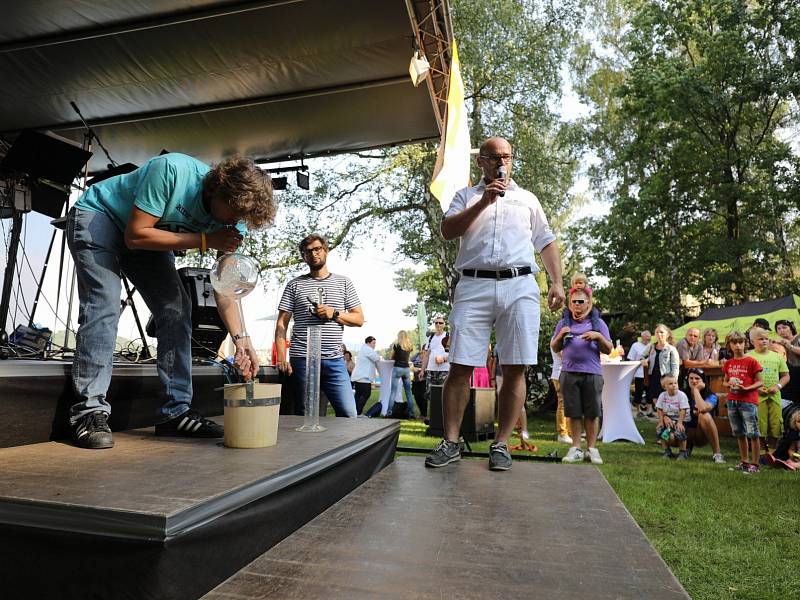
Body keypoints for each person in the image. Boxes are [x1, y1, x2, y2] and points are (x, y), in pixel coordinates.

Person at [66, 153, 275, 449]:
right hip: (101, 216)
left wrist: (242, 340)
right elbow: (136, 235)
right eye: (232, 214)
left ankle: (174, 413)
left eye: (240, 219)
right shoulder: (173, 171)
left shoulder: (234, 221)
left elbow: (224, 288)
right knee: (105, 305)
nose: (234, 222)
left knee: (177, 311)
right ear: (218, 188)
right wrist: (204, 240)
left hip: (149, 237)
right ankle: (89, 413)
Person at [424, 136, 564, 471]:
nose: (502, 161)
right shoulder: (465, 196)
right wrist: (484, 202)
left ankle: (501, 444)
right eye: (494, 156)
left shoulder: (528, 199)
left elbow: (545, 240)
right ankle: (452, 441)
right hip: (473, 285)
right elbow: (448, 230)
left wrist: (557, 281)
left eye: (507, 156)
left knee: (515, 366)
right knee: (460, 364)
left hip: (519, 285)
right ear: (481, 161)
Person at [274, 233, 363, 417]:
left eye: (317, 249)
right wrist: (282, 357)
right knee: (306, 415)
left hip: (334, 359)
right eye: (308, 251)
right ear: (303, 256)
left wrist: (335, 313)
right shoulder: (295, 285)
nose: (313, 254)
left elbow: (359, 319)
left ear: (326, 250)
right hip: (302, 360)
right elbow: (281, 325)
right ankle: (306, 446)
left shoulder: (343, 283)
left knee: (349, 413)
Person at [552, 287, 611, 465]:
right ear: (570, 304)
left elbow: (609, 348)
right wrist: (561, 336)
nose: (577, 305)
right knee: (573, 412)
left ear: (588, 303)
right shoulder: (563, 323)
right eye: (574, 301)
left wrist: (598, 337)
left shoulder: (598, 323)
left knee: (592, 413)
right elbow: (555, 347)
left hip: (592, 373)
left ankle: (592, 449)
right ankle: (576, 448)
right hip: (569, 373)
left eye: (581, 301)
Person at [722, 331, 763, 473]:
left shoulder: (751, 361)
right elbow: (725, 381)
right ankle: (744, 462)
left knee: (753, 433)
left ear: (745, 344)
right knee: (739, 432)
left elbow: (760, 382)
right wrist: (729, 385)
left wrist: (746, 388)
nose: (737, 345)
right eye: (734, 343)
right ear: (729, 345)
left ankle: (755, 464)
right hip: (733, 401)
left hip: (748, 401)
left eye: (740, 342)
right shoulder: (728, 363)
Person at [747, 327, 789, 457]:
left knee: (776, 424)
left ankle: (772, 451)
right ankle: (759, 452)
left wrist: (777, 386)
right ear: (752, 341)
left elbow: (786, 375)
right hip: (756, 397)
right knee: (759, 423)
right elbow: (745, 378)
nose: (764, 341)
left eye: (766, 339)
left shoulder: (776, 356)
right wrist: (756, 387)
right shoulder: (748, 356)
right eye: (760, 339)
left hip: (774, 397)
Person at [684, 368, 725, 463]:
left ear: (703, 381)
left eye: (697, 378)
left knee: (704, 415)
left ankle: (717, 454)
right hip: (684, 433)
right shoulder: (682, 394)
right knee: (670, 436)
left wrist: (696, 391)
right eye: (691, 378)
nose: (694, 381)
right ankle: (684, 449)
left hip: (701, 435)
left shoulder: (711, 396)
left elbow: (702, 408)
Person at [640, 324, 680, 418]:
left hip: (665, 378)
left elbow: (675, 367)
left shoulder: (671, 349)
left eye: (662, 332)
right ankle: (661, 420)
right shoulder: (651, 347)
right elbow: (642, 356)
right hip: (653, 376)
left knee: (666, 401)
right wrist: (644, 360)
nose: (659, 334)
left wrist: (673, 382)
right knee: (656, 400)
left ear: (667, 334)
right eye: (657, 332)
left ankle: (667, 419)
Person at [420, 317, 450, 417]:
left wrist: (444, 359)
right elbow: (426, 355)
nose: (438, 324)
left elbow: (454, 353)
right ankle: (432, 418)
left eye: (440, 323)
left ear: (444, 324)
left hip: (444, 370)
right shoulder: (431, 338)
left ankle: (442, 418)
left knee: (443, 394)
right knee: (430, 394)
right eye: (436, 323)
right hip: (431, 370)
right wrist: (422, 370)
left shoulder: (448, 336)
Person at [654, 375, 690, 460]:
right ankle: (667, 451)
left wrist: (680, 422)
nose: (674, 385)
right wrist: (661, 421)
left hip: (681, 419)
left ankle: (683, 452)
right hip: (668, 418)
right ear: (664, 387)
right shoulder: (662, 395)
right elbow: (659, 409)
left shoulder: (681, 395)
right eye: (670, 383)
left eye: (675, 383)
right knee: (660, 430)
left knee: (679, 431)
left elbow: (683, 410)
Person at [388, 330, 416, 419]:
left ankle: (389, 412)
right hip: (406, 369)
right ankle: (412, 413)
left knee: (393, 392)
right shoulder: (409, 346)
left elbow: (391, 357)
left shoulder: (396, 345)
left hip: (397, 368)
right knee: (408, 392)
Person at [350, 336, 380, 415]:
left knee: (358, 395)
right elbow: (377, 358)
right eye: (373, 343)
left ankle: (355, 412)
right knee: (366, 394)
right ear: (368, 343)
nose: (374, 345)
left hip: (359, 376)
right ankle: (357, 412)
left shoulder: (364, 349)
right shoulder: (367, 349)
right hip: (363, 377)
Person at [774, 319, 800, 404]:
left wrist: (789, 346)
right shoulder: (778, 344)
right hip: (789, 376)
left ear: (791, 328)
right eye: (779, 328)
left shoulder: (798, 337)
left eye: (784, 327)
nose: (781, 330)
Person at [626, 329, 651, 417]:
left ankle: (649, 411)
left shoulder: (651, 346)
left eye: (649, 338)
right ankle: (638, 410)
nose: (648, 339)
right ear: (642, 337)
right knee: (639, 392)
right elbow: (631, 359)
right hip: (639, 373)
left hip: (649, 373)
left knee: (649, 392)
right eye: (646, 338)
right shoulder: (635, 345)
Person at [550, 348, 572, 444]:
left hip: (566, 373)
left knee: (569, 404)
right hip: (559, 373)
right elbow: (565, 356)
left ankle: (569, 433)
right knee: (562, 403)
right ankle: (562, 433)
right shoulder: (557, 338)